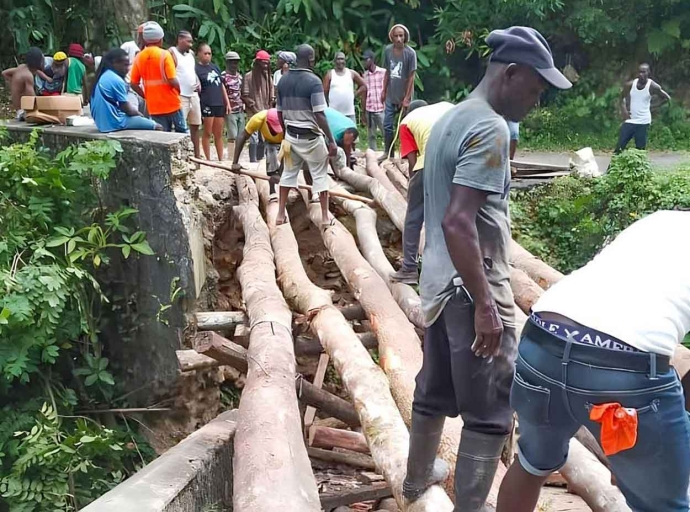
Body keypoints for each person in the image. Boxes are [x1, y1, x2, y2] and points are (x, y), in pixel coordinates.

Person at [403, 27, 571, 510]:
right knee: (491, 413)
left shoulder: (452, 117)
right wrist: (485, 305)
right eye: (535, 89)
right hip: (469, 286)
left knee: (432, 389)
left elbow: (447, 217)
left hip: (437, 282)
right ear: (511, 74)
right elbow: (460, 222)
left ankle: (416, 482)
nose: (536, 101)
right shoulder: (491, 128)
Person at [496, 211, 690, 512]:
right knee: (665, 506)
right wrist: (642, 451)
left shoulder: (661, 219)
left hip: (543, 338)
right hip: (625, 369)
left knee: (532, 463)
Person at [389, 100, 454, 285]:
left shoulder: (407, 121)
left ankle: (409, 268)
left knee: (414, 218)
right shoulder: (447, 107)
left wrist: (414, 188)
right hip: (464, 162)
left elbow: (412, 162)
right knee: (451, 216)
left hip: (430, 164)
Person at [276, 44, 337, 228]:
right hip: (310, 137)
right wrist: (331, 140)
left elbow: (279, 112)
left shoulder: (283, 80)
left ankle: (280, 214)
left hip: (291, 135)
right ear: (311, 58)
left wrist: (285, 132)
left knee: (287, 174)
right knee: (320, 175)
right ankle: (325, 217)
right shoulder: (314, 81)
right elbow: (319, 113)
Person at [131, 21, 186, 133]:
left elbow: (133, 84)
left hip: (154, 106)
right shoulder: (165, 54)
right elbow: (172, 80)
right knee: (181, 133)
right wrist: (179, 91)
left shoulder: (139, 57)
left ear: (145, 40)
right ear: (160, 39)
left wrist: (146, 95)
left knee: (162, 136)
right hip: (172, 104)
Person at [90, 48, 160, 133]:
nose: (128, 69)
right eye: (125, 65)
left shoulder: (104, 76)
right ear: (114, 63)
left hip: (101, 123)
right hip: (114, 123)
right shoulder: (116, 79)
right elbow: (127, 109)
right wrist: (140, 116)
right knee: (156, 126)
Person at [380, 24, 417, 162]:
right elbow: (387, 72)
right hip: (391, 94)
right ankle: (388, 153)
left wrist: (407, 98)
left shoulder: (410, 53)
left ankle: (405, 154)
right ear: (392, 38)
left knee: (404, 127)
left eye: (401, 36)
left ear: (405, 37)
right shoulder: (388, 51)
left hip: (404, 96)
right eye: (396, 36)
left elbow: (411, 76)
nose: (399, 39)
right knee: (387, 125)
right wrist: (383, 91)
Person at [615, 63, 671, 153]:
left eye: (644, 72)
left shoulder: (653, 86)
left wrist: (653, 107)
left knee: (640, 150)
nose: (641, 74)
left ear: (648, 73)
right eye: (640, 72)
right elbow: (621, 98)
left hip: (643, 122)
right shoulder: (630, 85)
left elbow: (667, 98)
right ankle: (612, 167)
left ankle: (640, 167)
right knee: (619, 147)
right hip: (630, 120)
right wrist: (624, 111)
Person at [231, 108, 284, 194]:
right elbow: (242, 136)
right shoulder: (259, 118)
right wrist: (235, 162)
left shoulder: (286, 121)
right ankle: (272, 190)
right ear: (267, 123)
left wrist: (281, 173)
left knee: (284, 172)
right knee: (271, 154)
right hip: (270, 142)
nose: (275, 132)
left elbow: (289, 149)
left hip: (287, 142)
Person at [170, 31, 202, 158]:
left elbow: (191, 71)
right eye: (188, 41)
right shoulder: (172, 53)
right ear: (180, 39)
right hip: (180, 95)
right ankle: (181, 156)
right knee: (180, 127)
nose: (191, 44)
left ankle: (197, 157)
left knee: (196, 124)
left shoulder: (191, 55)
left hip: (193, 95)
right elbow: (169, 73)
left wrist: (197, 81)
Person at [196, 43, 230, 161]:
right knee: (207, 132)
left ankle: (221, 159)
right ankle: (208, 159)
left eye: (209, 53)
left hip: (218, 102)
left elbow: (221, 85)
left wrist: (227, 102)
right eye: (205, 53)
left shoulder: (215, 67)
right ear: (199, 54)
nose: (207, 56)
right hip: (207, 103)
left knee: (218, 133)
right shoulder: (196, 69)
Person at [242, 50, 273, 162]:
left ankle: (261, 159)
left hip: (265, 112)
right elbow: (245, 96)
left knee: (264, 137)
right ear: (257, 62)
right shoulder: (248, 76)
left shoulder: (268, 77)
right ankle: (253, 160)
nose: (265, 65)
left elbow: (271, 97)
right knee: (253, 137)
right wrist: (254, 108)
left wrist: (269, 110)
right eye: (263, 63)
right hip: (253, 112)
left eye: (267, 63)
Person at [323, 51, 366, 123]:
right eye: (338, 59)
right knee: (334, 133)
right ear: (334, 61)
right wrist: (327, 107)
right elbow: (324, 92)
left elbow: (364, 86)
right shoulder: (330, 74)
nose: (340, 61)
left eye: (342, 59)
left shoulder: (351, 73)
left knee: (352, 133)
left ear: (345, 61)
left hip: (349, 113)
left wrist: (355, 95)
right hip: (334, 114)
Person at [2, 47, 43, 120]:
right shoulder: (28, 76)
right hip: (24, 112)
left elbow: (5, 73)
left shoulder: (21, 67)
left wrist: (14, 87)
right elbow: (31, 99)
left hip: (18, 110)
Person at [222, 51, 245, 163]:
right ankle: (231, 158)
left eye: (236, 62)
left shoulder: (239, 77)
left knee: (241, 135)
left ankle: (238, 158)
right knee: (232, 135)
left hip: (240, 108)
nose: (234, 65)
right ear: (227, 63)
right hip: (229, 109)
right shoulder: (223, 76)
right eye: (232, 62)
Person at [362, 49, 386, 151]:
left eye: (366, 60)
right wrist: (363, 112)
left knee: (385, 131)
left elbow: (388, 88)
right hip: (369, 108)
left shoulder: (383, 72)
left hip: (381, 107)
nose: (364, 62)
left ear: (371, 60)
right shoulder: (364, 75)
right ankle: (373, 153)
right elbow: (363, 93)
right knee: (371, 134)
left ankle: (389, 152)